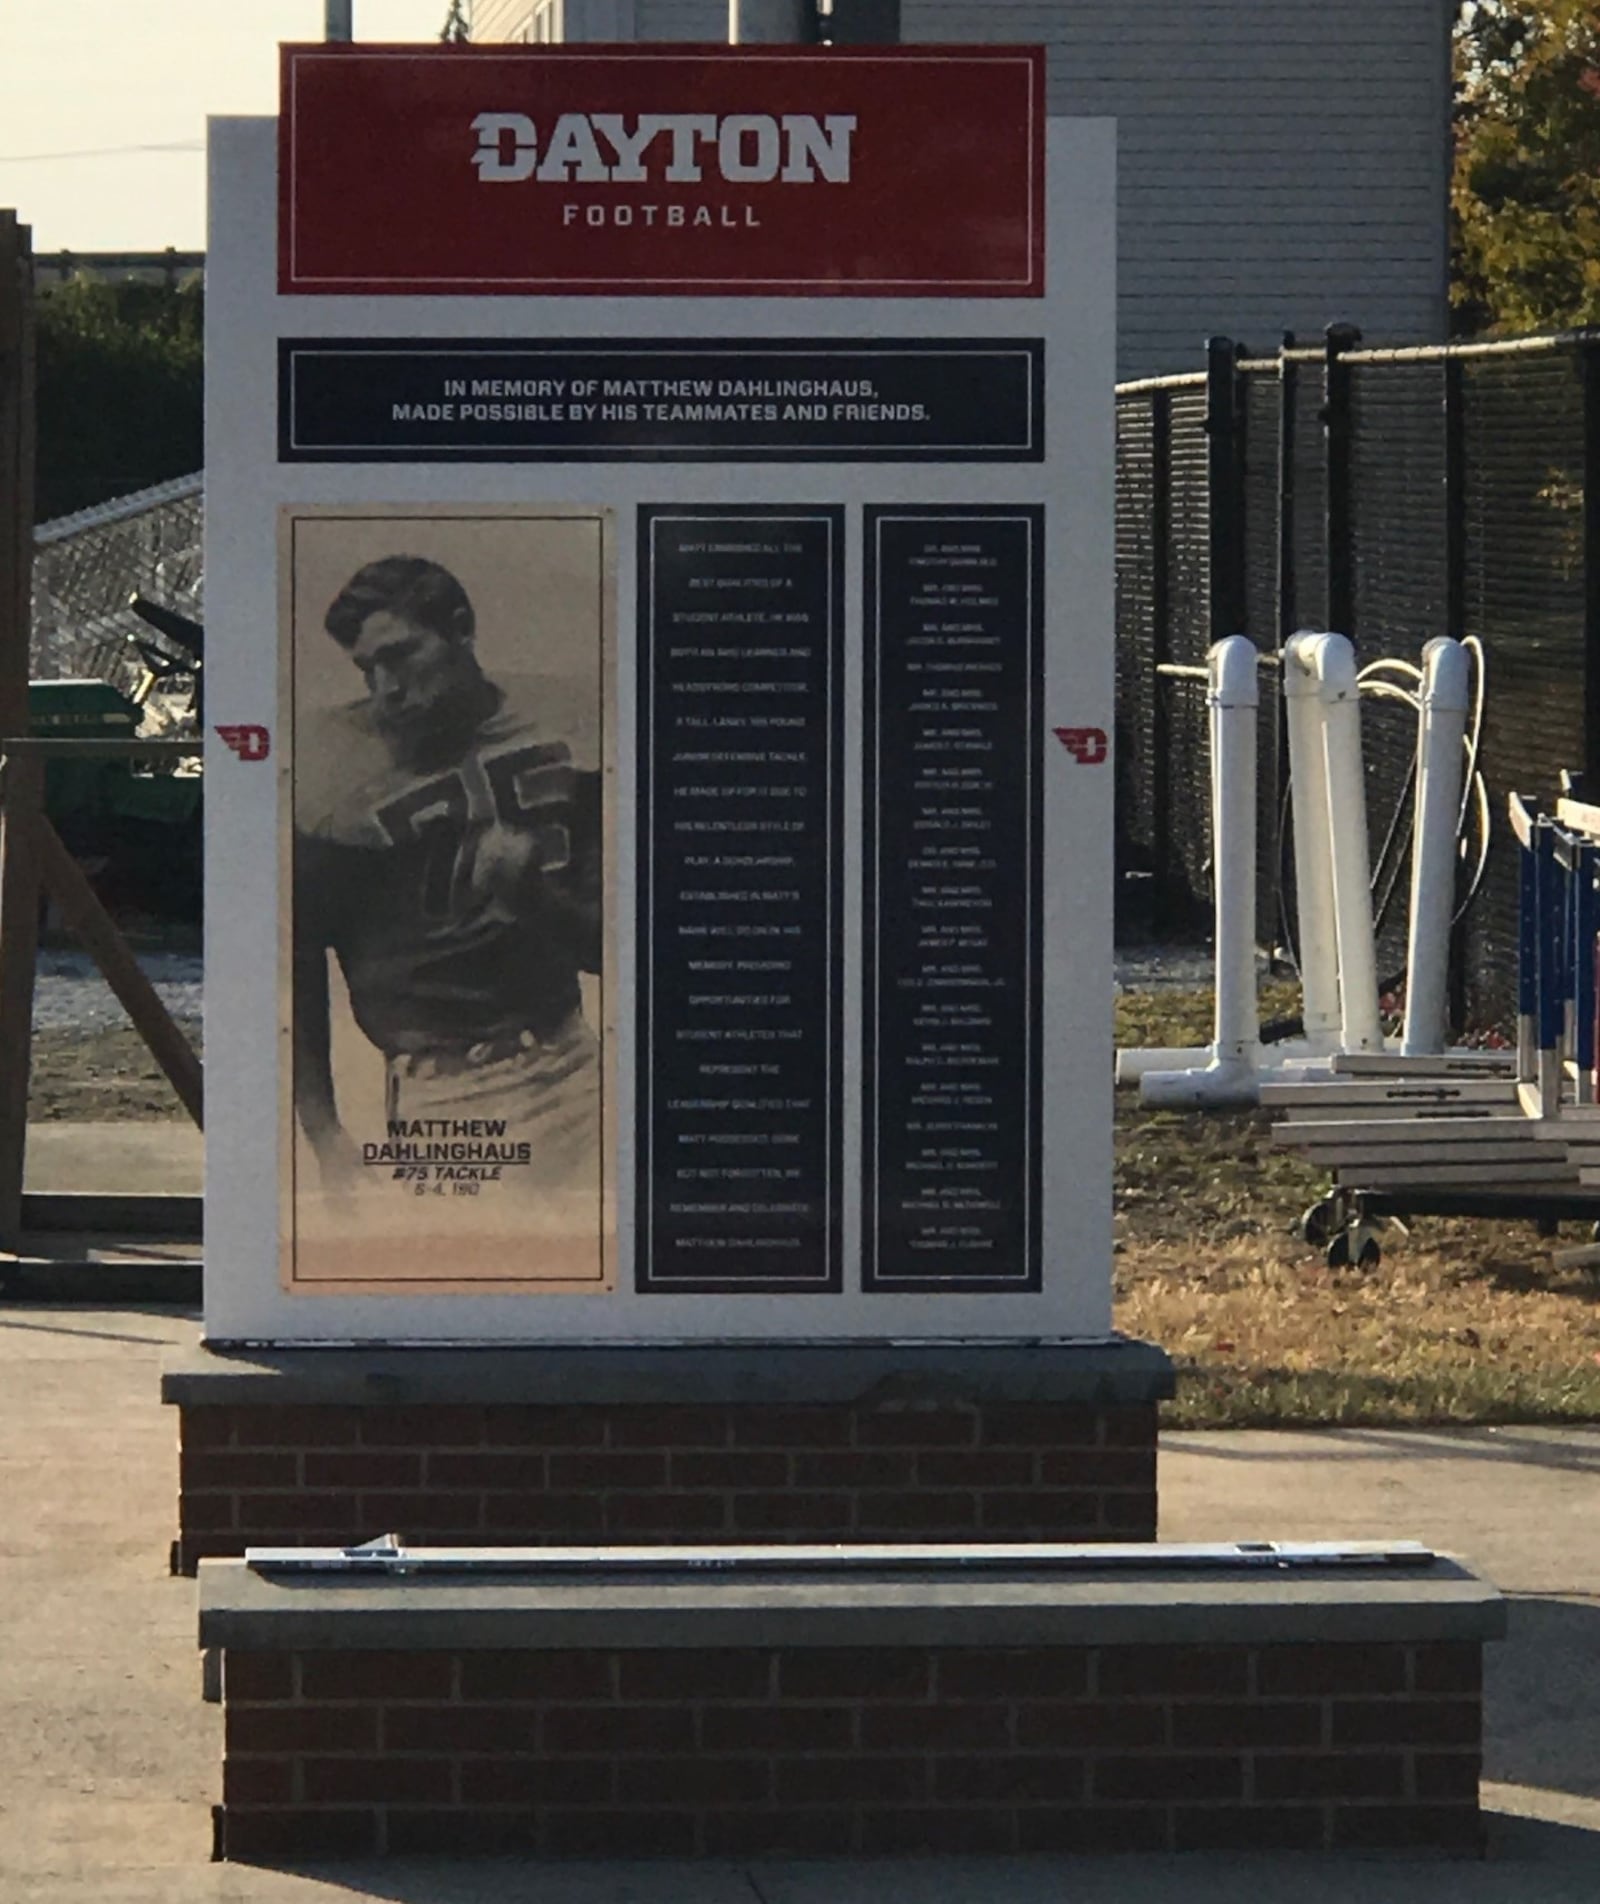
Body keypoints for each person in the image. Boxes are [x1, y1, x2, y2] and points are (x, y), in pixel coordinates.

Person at [292, 553, 602, 1191]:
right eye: (367, 670)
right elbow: (296, 964)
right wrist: (325, 1134)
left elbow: (609, 951)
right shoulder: (335, 773)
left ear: (460, 629)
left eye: (400, 656)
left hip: (575, 1068)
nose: (386, 690)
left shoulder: (560, 732)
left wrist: (534, 898)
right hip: (448, 1101)